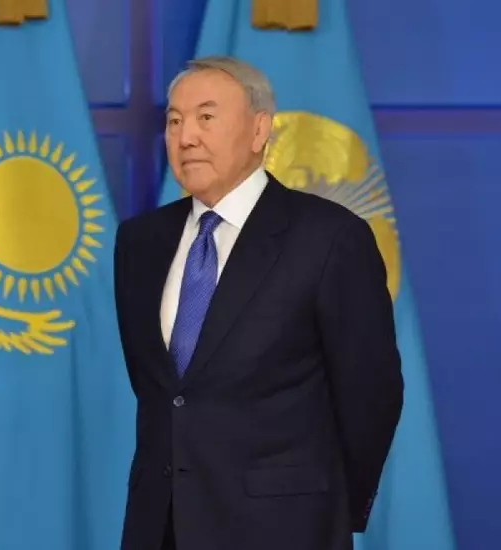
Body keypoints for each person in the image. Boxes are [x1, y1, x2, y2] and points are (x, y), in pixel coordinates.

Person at [112, 56, 404, 550]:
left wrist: (326, 507)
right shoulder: (140, 242)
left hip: (284, 528)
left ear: (259, 129)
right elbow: (160, 390)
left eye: (206, 117)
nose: (186, 137)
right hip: (159, 528)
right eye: (174, 121)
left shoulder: (330, 238)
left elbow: (371, 394)